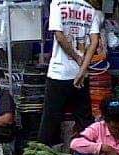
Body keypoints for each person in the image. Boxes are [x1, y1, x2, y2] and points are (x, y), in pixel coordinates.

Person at [38, 0, 100, 146]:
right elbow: (94, 41)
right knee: (85, 120)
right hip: (81, 74)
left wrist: (77, 58)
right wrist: (82, 68)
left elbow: (59, 37)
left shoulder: (57, 4)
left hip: (59, 72)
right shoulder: (90, 8)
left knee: (50, 119)